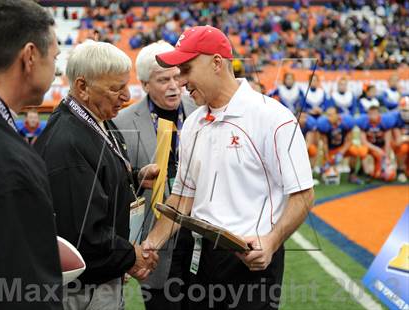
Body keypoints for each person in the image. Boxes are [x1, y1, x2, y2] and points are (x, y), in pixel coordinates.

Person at [143, 25, 315, 309]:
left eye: (186, 69)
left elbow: (303, 195)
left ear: (216, 63)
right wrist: (150, 245)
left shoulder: (273, 118)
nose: (180, 81)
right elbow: (183, 198)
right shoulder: (193, 124)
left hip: (250, 262)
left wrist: (271, 241)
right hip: (199, 259)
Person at [34, 40, 159, 310]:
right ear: (82, 87)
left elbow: (95, 178)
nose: (127, 96)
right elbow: (83, 234)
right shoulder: (67, 142)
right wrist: (130, 256)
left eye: (126, 85)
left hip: (101, 278)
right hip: (85, 290)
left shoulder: (95, 120)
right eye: (116, 88)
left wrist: (135, 177)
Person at [0, 1, 63, 309]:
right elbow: (22, 289)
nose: (57, 69)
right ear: (30, 56)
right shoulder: (9, 161)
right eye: (55, 57)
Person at [114, 41, 197, 310]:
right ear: (145, 84)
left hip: (201, 238)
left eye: (176, 76)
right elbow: (118, 183)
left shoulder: (199, 109)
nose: (174, 85)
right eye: (163, 79)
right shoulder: (122, 122)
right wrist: (138, 177)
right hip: (157, 244)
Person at [317, 106, 364, 184]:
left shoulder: (346, 121)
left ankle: (352, 175)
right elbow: (324, 143)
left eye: (331, 115)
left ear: (337, 115)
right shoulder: (324, 124)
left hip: (343, 147)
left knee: (355, 151)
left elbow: (349, 141)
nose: (329, 117)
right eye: (327, 115)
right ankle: (323, 173)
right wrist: (328, 159)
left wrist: (340, 153)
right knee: (325, 168)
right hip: (331, 149)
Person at [356, 104, 394, 180]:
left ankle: (382, 169)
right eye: (370, 114)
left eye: (374, 114)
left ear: (378, 114)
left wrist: (386, 157)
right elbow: (364, 142)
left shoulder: (385, 122)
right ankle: (366, 171)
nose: (372, 116)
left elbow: (388, 141)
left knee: (386, 174)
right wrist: (377, 150)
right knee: (362, 150)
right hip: (370, 147)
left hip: (381, 146)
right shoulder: (364, 122)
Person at [391, 96, 409, 182]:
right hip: (397, 147)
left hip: (404, 141)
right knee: (403, 148)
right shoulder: (396, 118)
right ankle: (400, 171)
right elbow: (398, 141)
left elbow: (402, 138)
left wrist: (405, 138)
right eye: (404, 110)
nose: (407, 113)